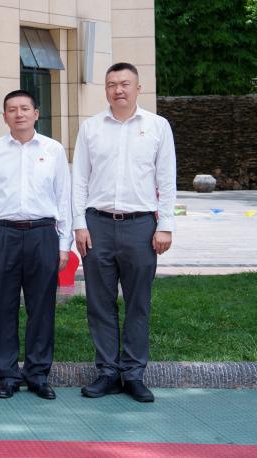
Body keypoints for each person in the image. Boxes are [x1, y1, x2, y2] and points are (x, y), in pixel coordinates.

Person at [72, 62, 175, 403]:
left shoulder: (157, 126)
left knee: (138, 303)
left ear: (138, 88)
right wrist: (79, 224)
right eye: (112, 84)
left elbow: (166, 180)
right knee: (99, 303)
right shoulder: (90, 128)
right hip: (97, 225)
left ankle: (133, 374)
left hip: (141, 226)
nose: (118, 89)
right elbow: (79, 180)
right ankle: (107, 372)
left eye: (125, 83)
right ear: (105, 89)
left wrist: (165, 226)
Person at [0, 90, 72, 401]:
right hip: (3, 234)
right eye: (12, 109)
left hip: (43, 233)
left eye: (25, 108)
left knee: (41, 306)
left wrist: (64, 243)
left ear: (36, 113)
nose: (19, 114)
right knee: (2, 306)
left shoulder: (53, 150)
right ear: (5, 116)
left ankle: (38, 374)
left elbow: (64, 198)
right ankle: (6, 374)